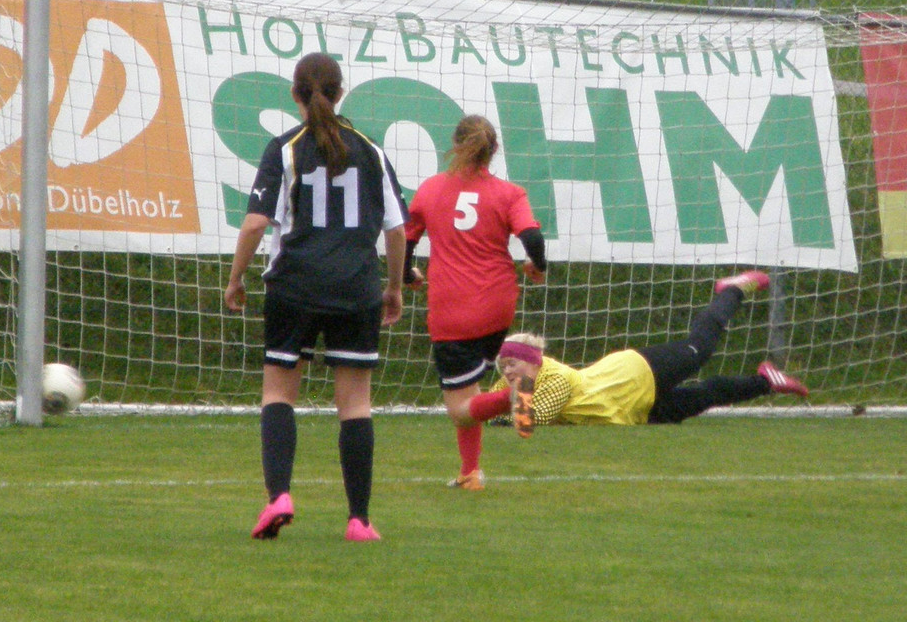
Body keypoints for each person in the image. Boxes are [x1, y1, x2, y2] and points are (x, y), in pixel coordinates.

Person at [225, 52, 409, 542]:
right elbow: (396, 230)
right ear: (341, 92)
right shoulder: (371, 150)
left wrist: (236, 277)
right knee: (355, 404)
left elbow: (256, 223)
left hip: (295, 286)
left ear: (294, 94)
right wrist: (392, 286)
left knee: (278, 393)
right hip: (356, 287)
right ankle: (359, 520)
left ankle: (279, 496)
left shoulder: (284, 148)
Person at [464, 271, 808, 436]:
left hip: (635, 373)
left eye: (512, 363)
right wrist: (490, 408)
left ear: (534, 360)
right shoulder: (512, 384)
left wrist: (502, 409)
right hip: (631, 411)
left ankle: (732, 291)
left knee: (700, 349)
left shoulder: (555, 378)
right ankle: (766, 381)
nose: (507, 372)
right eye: (503, 366)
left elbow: (530, 421)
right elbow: (485, 413)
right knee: (704, 396)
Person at [403, 114, 547, 491]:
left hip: (452, 309)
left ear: (455, 145)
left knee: (460, 410)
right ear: (493, 150)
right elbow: (532, 237)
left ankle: (514, 394)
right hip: (498, 305)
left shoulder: (431, 189)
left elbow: (406, 239)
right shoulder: (509, 193)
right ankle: (470, 473)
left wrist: (405, 274)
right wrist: (537, 266)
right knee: (470, 390)